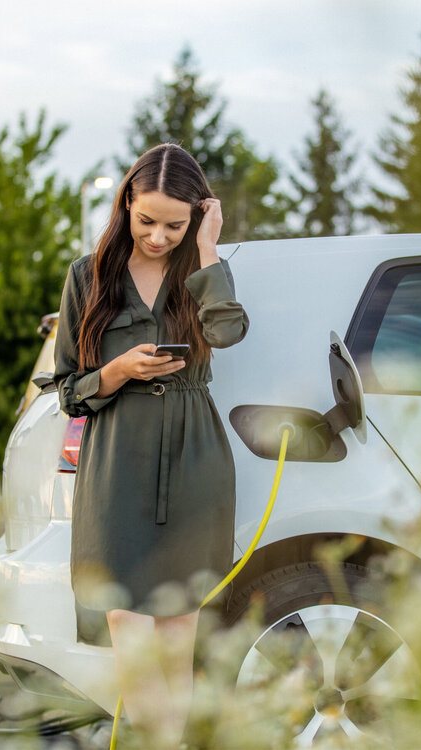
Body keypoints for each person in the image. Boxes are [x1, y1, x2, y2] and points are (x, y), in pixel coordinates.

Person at [54, 143, 249, 748]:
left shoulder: (202, 269)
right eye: (146, 221)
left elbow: (228, 331)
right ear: (125, 206)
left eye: (176, 224)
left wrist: (210, 248)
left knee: (175, 638)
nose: (159, 236)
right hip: (117, 464)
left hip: (194, 461)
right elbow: (67, 390)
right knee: (128, 628)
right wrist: (118, 372)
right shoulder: (88, 276)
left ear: (196, 216)